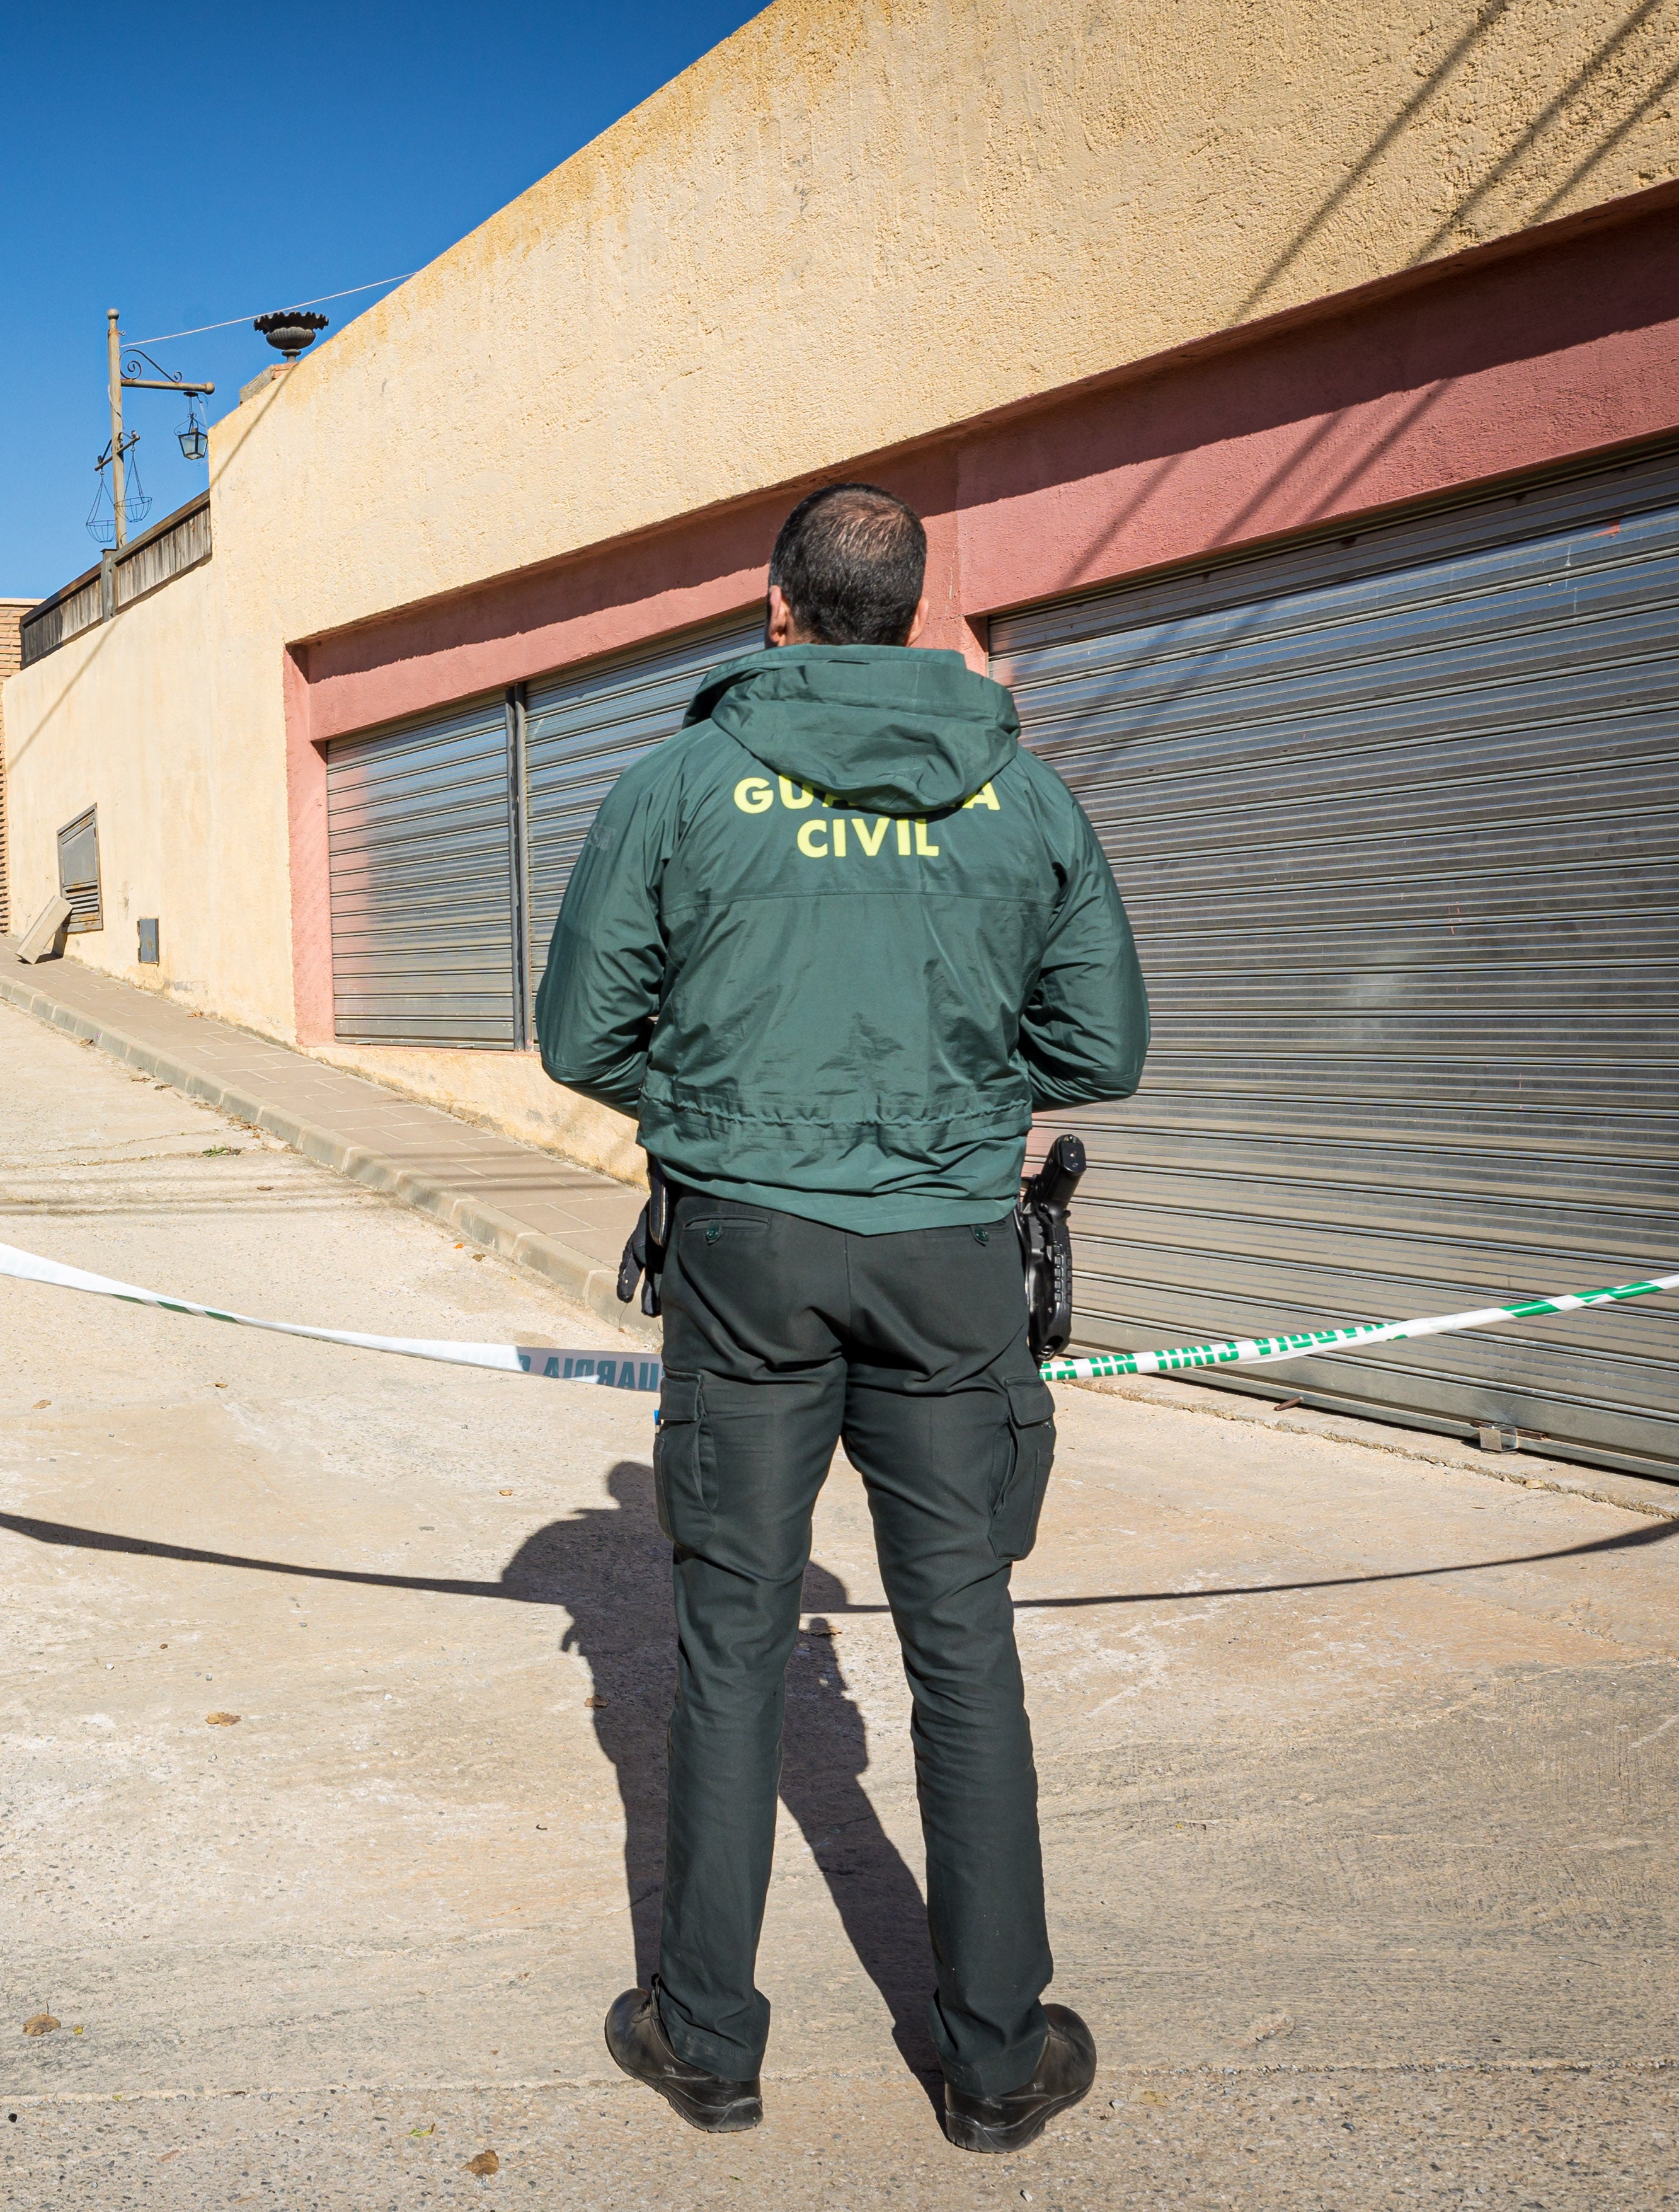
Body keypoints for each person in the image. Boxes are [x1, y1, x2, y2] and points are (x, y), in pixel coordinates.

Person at [535, 483, 1147, 2155]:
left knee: (732, 1651)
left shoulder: (678, 785)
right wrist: (942, 1092)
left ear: (779, 607)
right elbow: (1103, 1047)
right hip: (949, 1258)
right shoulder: (1019, 792)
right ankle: (997, 2057)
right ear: (914, 611)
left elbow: (578, 1032)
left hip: (744, 1256)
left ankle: (709, 2042)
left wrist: (731, 1101)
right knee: (966, 1649)